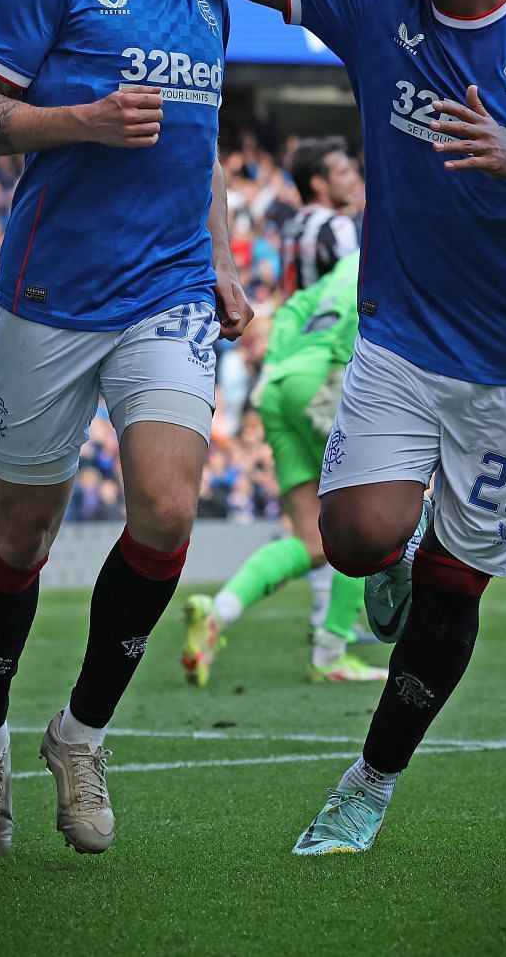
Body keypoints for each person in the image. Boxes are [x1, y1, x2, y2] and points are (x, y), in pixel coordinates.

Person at [0, 0, 506, 854]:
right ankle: (388, 564)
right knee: (350, 537)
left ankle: (370, 780)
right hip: (398, 340)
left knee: (454, 588)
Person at [0, 0, 250, 859]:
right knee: (19, 532)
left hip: (165, 292)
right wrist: (79, 119)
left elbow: (199, 141)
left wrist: (217, 253)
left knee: (167, 509)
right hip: (51, 295)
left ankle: (80, 733)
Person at [182, 253, 387, 686]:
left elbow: (293, 308)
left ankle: (216, 615)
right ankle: (330, 653)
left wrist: (275, 364)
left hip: (280, 384)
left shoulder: (347, 262)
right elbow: (367, 306)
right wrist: (334, 367)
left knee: (311, 541)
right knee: (364, 521)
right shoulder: (389, 254)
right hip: (324, 379)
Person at [279, 136, 362, 293]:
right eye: (344, 173)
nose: (354, 179)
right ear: (318, 183)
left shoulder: (290, 226)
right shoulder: (340, 226)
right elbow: (353, 288)